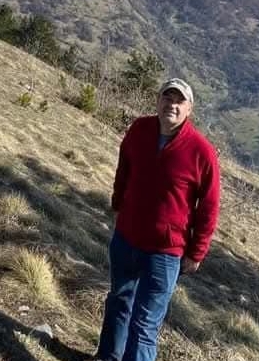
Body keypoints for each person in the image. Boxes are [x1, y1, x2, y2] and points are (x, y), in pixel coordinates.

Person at [90, 78, 220, 361]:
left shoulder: (202, 151)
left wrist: (196, 253)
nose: (172, 105)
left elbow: (209, 208)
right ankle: (108, 356)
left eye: (179, 101)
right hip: (126, 238)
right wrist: (118, 203)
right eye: (167, 98)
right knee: (119, 301)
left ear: (189, 109)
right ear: (158, 100)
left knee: (144, 324)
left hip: (164, 252)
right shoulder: (140, 129)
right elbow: (124, 168)